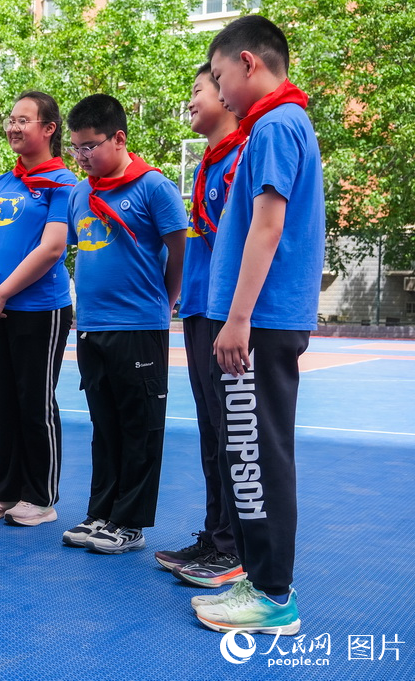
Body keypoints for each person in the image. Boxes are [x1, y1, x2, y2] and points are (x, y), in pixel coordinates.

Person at [191, 14, 324, 636]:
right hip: (261, 316)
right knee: (249, 449)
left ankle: (273, 595)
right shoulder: (279, 123)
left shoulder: (273, 124)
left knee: (254, 453)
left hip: (261, 318)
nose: (217, 93)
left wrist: (237, 317)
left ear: (249, 64)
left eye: (219, 78)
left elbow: (266, 227)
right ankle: (259, 575)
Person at [62, 94, 186, 554]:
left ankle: (129, 523)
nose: (82, 156)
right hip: (92, 327)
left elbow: (179, 250)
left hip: (139, 325)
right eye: (76, 148)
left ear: (119, 138)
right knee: (105, 425)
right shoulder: (80, 194)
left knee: (140, 426)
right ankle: (101, 513)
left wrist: (166, 302)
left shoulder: (154, 187)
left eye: (90, 146)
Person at [0, 91, 75, 527]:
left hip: (39, 309)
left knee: (34, 400)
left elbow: (52, 248)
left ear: (48, 129)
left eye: (23, 120)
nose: (13, 126)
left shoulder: (63, 183)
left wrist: (1, 294)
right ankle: (4, 491)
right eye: (11, 119)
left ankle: (40, 495)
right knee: (2, 402)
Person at [153, 63, 244, 588]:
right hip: (200, 309)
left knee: (234, 436)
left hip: (224, 311)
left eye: (198, 90)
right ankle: (216, 535)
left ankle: (234, 547)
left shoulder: (240, 159)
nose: (190, 101)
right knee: (212, 432)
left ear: (228, 94)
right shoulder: (211, 162)